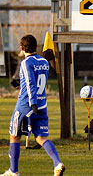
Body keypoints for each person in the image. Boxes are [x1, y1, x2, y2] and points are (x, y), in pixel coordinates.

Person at [4, 35, 65, 176]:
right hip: (42, 104)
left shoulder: (26, 62)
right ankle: (57, 164)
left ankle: (13, 171)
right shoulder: (43, 61)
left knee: (14, 135)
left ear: (21, 48)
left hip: (27, 104)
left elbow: (31, 83)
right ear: (35, 46)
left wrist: (32, 104)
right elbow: (37, 80)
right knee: (40, 137)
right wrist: (19, 83)